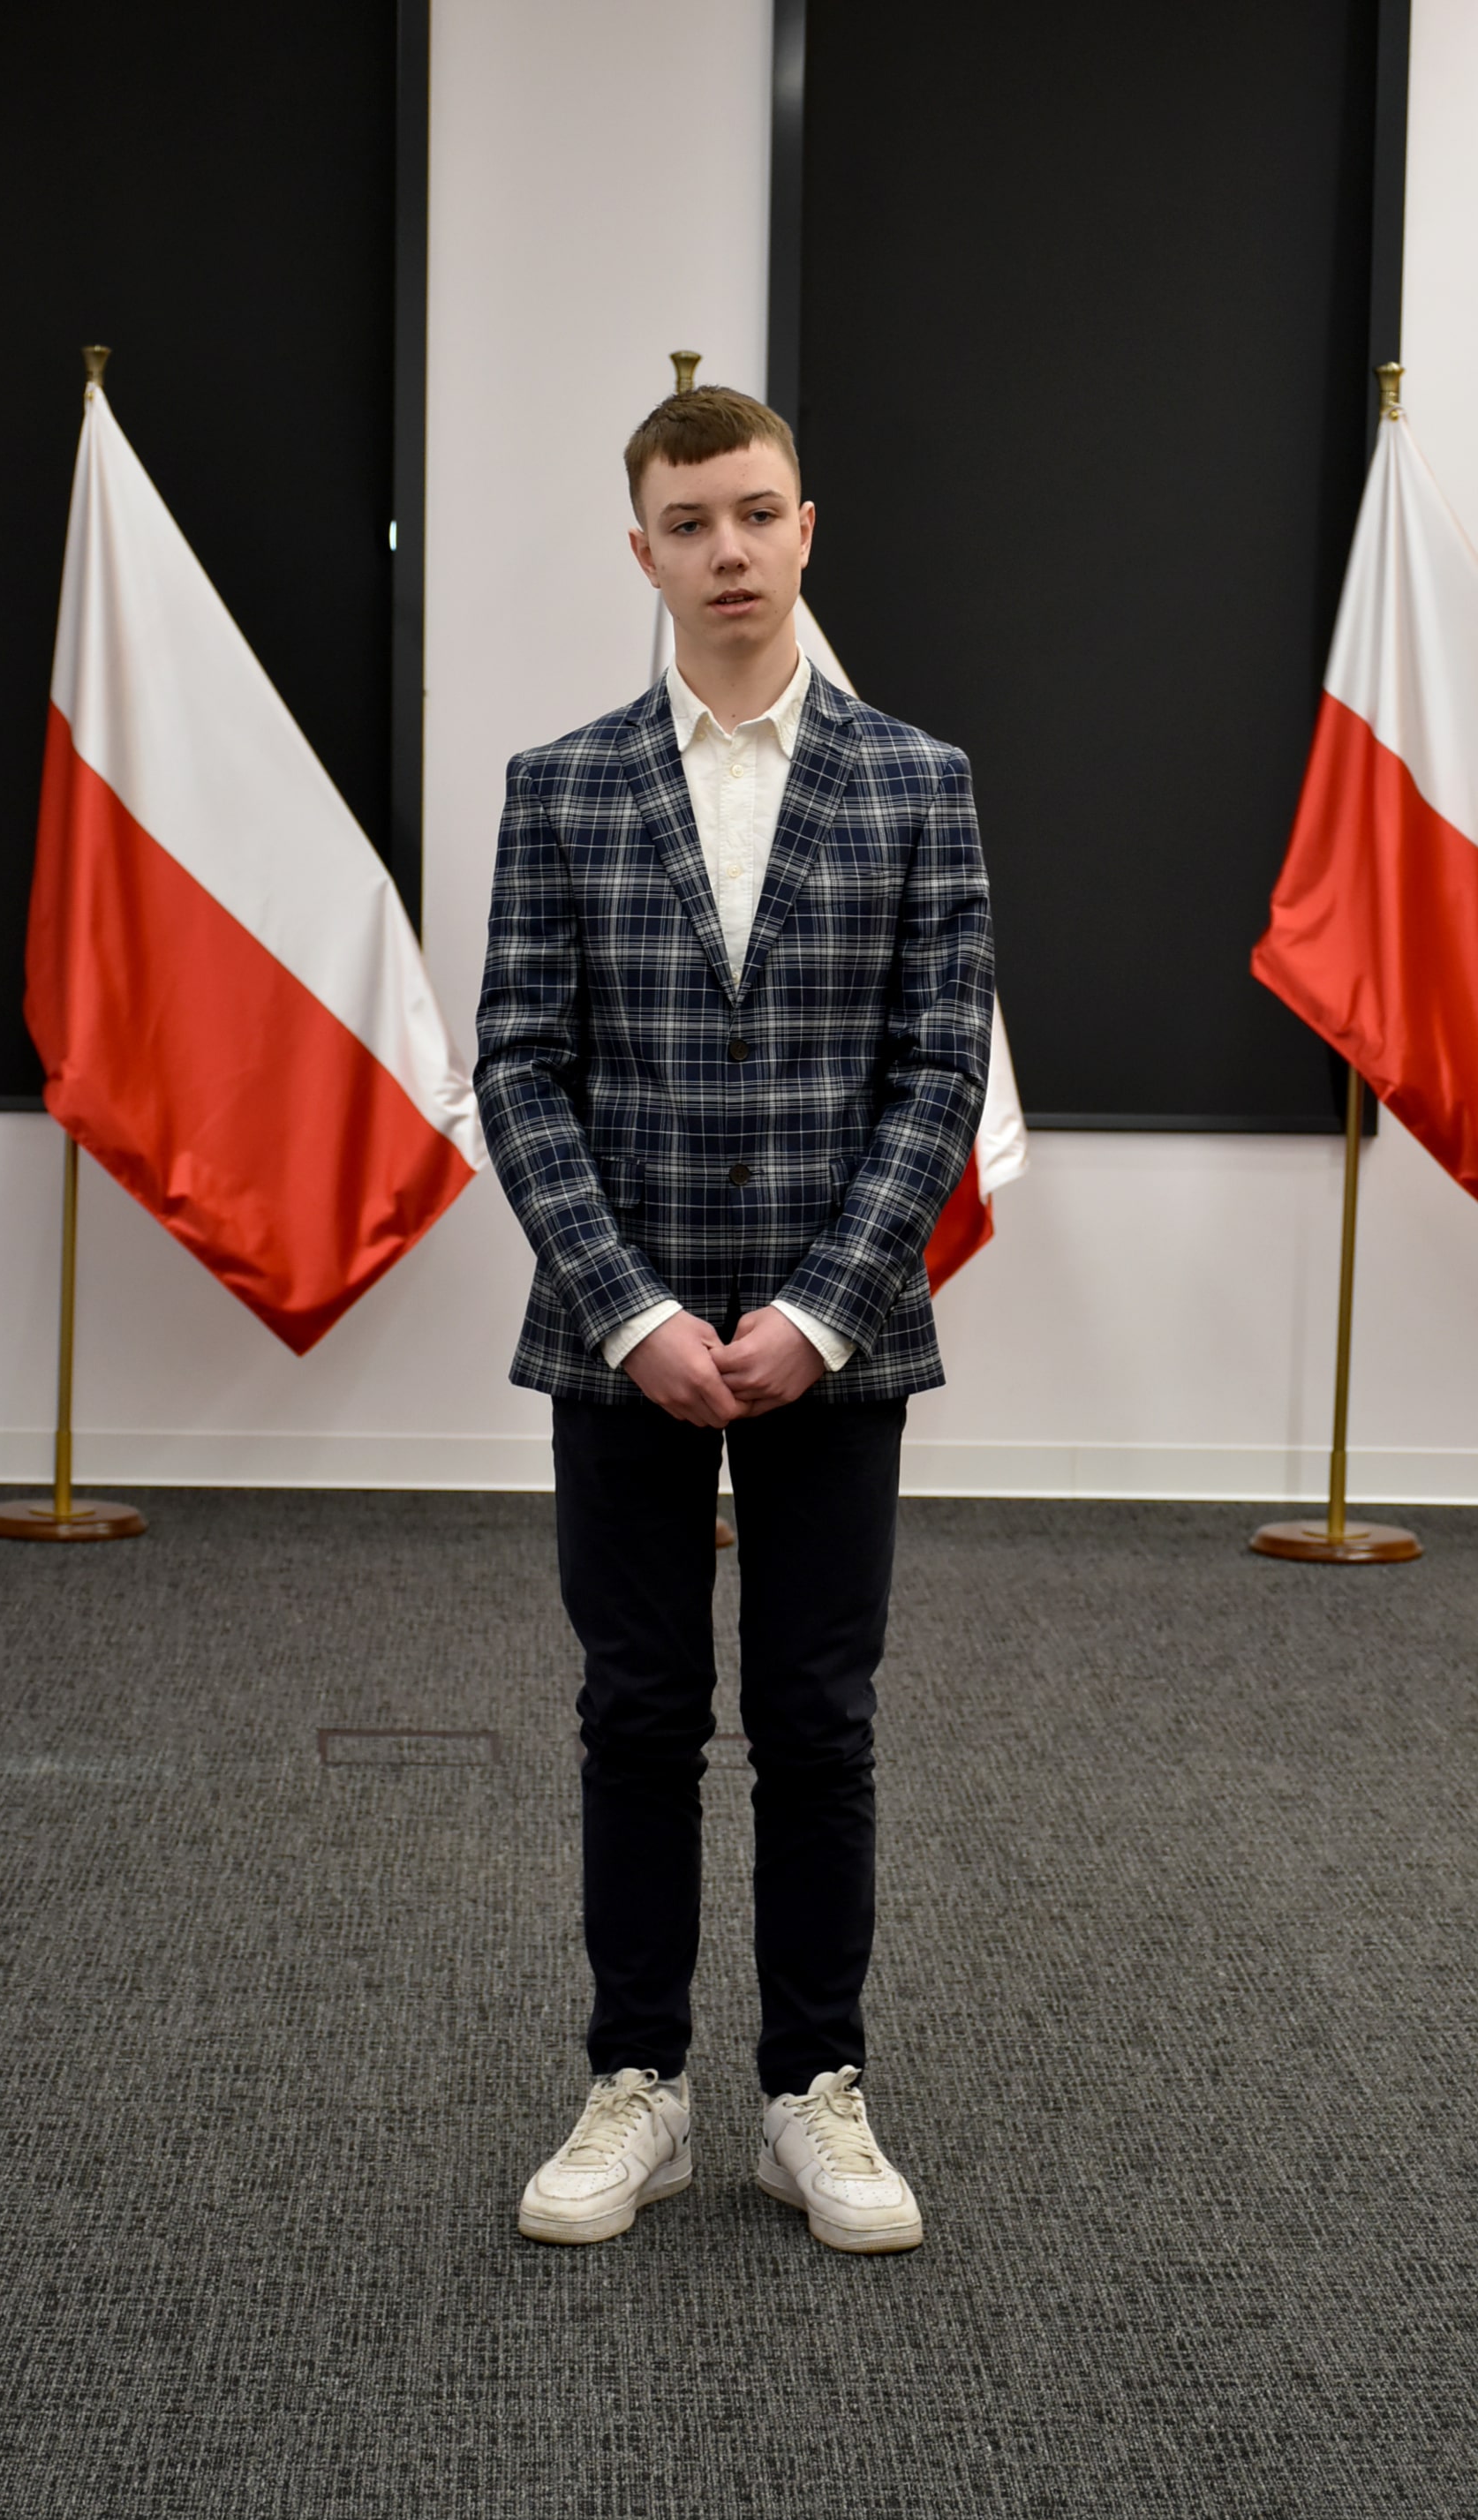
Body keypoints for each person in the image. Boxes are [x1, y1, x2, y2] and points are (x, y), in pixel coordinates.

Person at [474, 385, 992, 2253]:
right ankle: (637, 2085)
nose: (729, 552)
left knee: (816, 1719)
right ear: (644, 552)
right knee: (635, 1713)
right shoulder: (561, 785)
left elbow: (938, 1073)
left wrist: (821, 1312)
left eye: (756, 513)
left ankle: (810, 2093)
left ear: (805, 528)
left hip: (834, 1348)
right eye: (688, 523)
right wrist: (629, 1314)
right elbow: (519, 1070)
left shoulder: (918, 781)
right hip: (617, 1345)